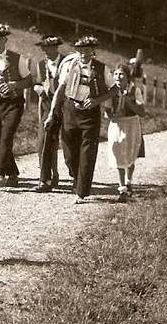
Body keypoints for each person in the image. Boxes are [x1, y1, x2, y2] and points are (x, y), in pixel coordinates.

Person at [44, 35, 116, 204]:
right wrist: (52, 113)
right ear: (77, 51)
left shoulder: (101, 68)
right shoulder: (70, 66)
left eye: (87, 50)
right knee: (69, 153)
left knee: (87, 152)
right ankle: (77, 178)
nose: (84, 53)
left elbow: (113, 90)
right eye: (81, 50)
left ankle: (82, 191)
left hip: (90, 114)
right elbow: (60, 89)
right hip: (70, 110)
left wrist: (97, 101)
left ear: (93, 51)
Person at [0, 24, 34, 189]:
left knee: (7, 136)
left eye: (0, 40)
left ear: (5, 40)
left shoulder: (17, 58)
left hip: (14, 103)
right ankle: (13, 173)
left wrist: (13, 85)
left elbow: (29, 81)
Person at [105, 62, 147, 202]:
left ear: (128, 77)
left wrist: (129, 102)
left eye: (121, 74)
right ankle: (122, 188)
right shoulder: (111, 91)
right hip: (117, 124)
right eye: (116, 74)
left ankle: (129, 182)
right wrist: (111, 114)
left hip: (131, 123)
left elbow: (142, 112)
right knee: (118, 154)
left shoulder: (135, 90)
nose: (118, 76)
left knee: (130, 153)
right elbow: (107, 111)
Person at [32, 34, 65, 192]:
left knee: (67, 142)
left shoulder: (66, 62)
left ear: (55, 47)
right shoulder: (40, 65)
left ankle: (72, 174)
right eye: (43, 48)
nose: (45, 50)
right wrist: (38, 88)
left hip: (65, 105)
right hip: (47, 103)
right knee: (44, 141)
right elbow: (37, 83)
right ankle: (45, 179)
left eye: (48, 47)